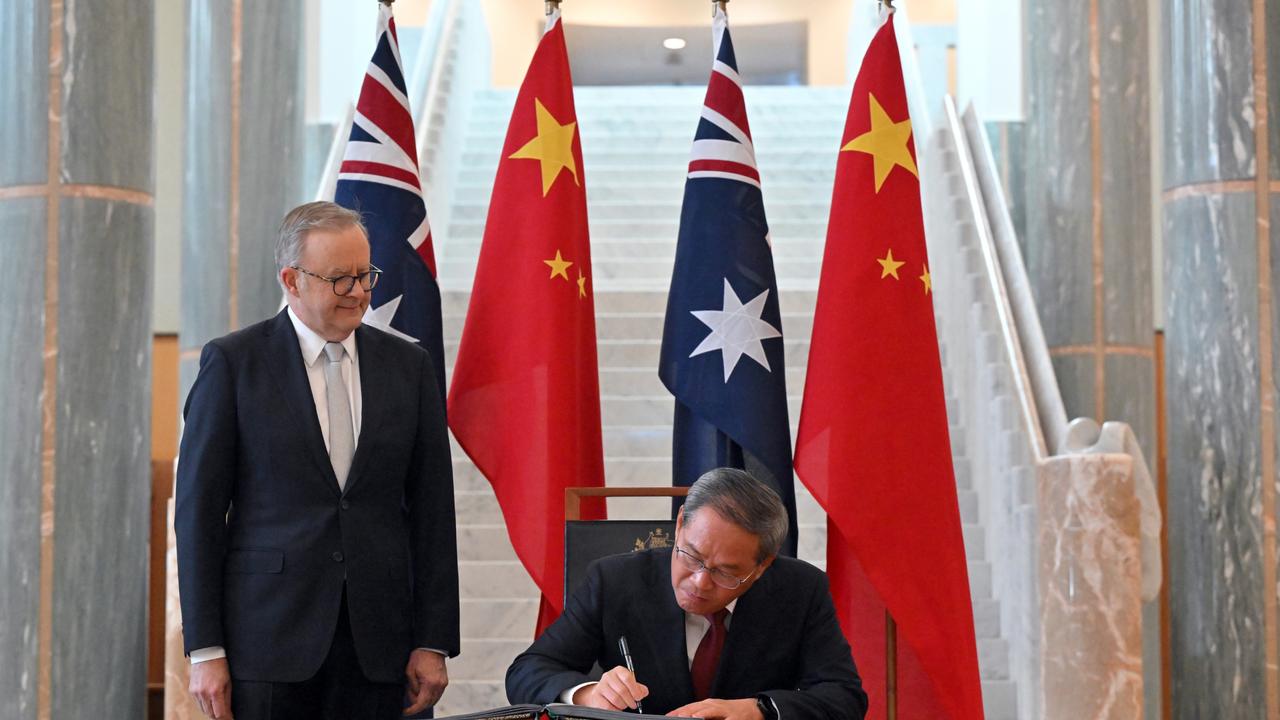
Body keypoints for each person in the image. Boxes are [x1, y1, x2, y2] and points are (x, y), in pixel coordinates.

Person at [175, 201, 459, 719]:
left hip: (381, 649)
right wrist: (206, 649)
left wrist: (434, 641)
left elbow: (433, 514)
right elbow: (198, 515)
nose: (359, 292)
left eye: (365, 275)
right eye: (340, 279)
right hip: (266, 644)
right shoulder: (235, 365)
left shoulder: (408, 367)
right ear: (291, 279)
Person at [506, 468, 868, 720]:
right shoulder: (615, 580)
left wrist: (759, 710)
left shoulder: (801, 591)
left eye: (725, 571)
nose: (698, 581)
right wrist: (586, 694)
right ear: (679, 525)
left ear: (761, 566)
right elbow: (528, 671)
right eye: (691, 555)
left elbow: (844, 698)